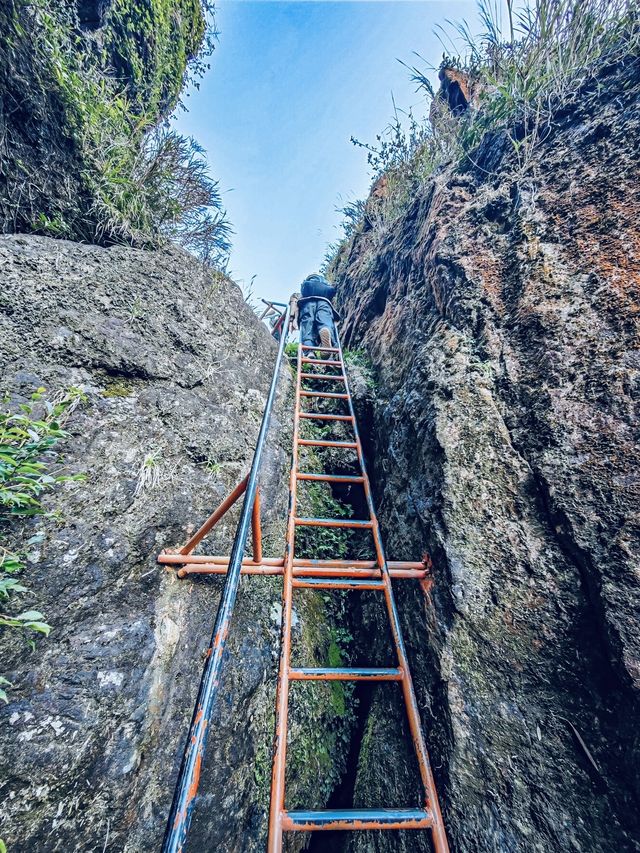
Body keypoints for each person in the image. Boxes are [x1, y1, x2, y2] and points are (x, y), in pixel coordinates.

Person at [297, 273, 338, 353]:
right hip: (324, 302)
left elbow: (296, 302)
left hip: (307, 303)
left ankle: (309, 351)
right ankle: (327, 332)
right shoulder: (325, 285)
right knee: (325, 320)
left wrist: (294, 318)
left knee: (308, 327)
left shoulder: (306, 286)